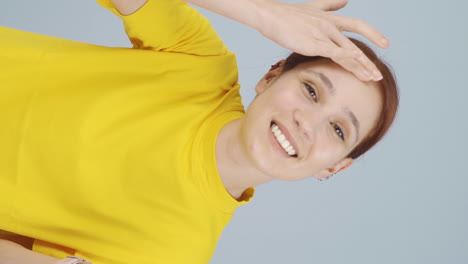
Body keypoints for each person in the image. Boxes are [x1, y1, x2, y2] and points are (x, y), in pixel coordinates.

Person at [0, 0, 399, 263]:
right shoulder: (200, 62)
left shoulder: (176, 253)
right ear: (271, 76)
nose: (306, 123)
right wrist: (266, 13)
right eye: (310, 90)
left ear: (334, 167)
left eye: (337, 129)